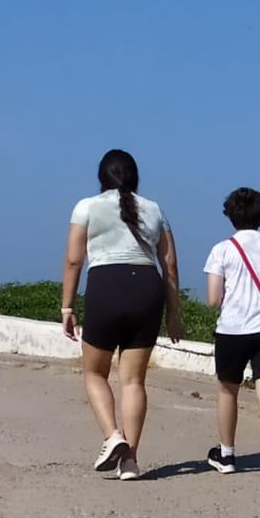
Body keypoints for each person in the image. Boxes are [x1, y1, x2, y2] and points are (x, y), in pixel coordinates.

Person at [61, 149, 183, 481]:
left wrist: (67, 307)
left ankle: (112, 436)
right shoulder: (155, 209)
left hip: (106, 285)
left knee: (95, 374)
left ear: (102, 177)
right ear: (135, 177)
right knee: (133, 380)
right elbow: (169, 264)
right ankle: (130, 462)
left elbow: (74, 260)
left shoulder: (86, 207)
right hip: (147, 288)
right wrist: (174, 314)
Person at [202, 187, 260, 487]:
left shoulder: (222, 249)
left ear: (230, 215)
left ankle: (227, 455)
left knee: (228, 391)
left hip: (231, 330)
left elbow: (214, 299)